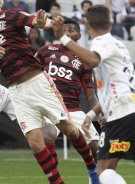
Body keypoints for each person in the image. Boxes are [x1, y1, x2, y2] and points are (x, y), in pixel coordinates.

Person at [0, 0, 99, 183]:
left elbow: (38, 22)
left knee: (70, 130)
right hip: (16, 91)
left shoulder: (11, 15)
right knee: (35, 143)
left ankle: (92, 170)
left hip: (37, 82)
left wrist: (45, 22)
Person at [52, 4, 135, 184]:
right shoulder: (119, 45)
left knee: (103, 171)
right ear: (111, 23)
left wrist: (63, 39)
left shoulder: (100, 42)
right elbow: (118, 87)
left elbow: (92, 60)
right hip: (127, 109)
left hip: (122, 114)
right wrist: (91, 114)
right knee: (105, 167)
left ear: (87, 26)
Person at [35, 18, 102, 179]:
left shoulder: (84, 61)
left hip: (73, 109)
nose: (66, 33)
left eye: (71, 30)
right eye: (64, 30)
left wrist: (99, 115)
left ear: (78, 36)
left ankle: (94, 177)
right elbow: (32, 73)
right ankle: (55, 177)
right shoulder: (46, 50)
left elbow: (90, 96)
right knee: (47, 136)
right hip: (50, 106)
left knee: (97, 148)